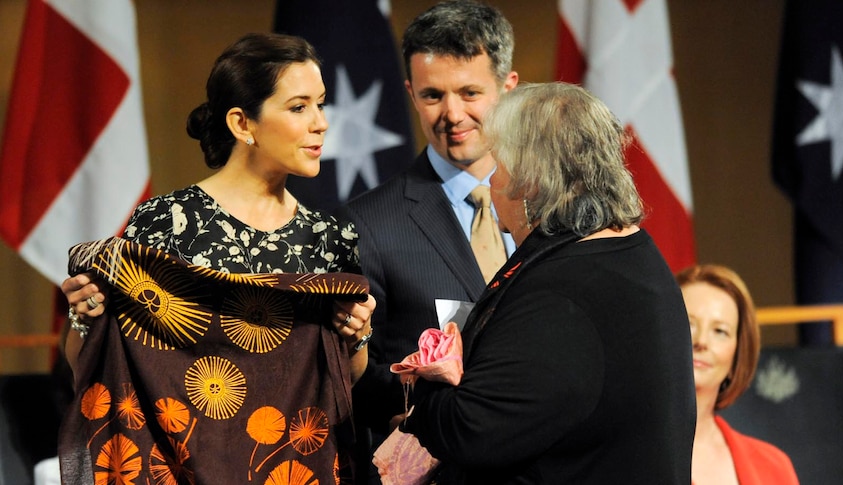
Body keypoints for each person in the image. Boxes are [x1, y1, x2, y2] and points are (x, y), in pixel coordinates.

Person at [59, 33, 375, 484]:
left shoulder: (330, 237)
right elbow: (96, 362)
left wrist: (358, 335)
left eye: (321, 104)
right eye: (299, 106)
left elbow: (345, 379)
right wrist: (83, 316)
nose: (321, 123)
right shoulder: (164, 223)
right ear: (242, 123)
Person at [402, 82, 697, 483]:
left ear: (531, 181)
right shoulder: (632, 254)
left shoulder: (562, 292)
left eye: (498, 166)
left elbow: (468, 430)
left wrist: (430, 383)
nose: (491, 183)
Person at [333, 2, 518, 479]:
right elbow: (354, 373)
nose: (452, 114)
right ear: (410, 93)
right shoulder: (369, 223)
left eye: (470, 92)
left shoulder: (552, 208)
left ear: (508, 88)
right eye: (433, 95)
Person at [676, 264, 800, 485]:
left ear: (737, 356)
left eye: (720, 331)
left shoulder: (774, 467)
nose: (701, 341)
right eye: (688, 324)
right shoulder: (618, 452)